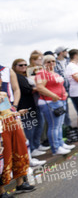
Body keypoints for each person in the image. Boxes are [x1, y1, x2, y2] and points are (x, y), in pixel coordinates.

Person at [0, 66, 35, 196]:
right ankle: (2, 190)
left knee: (19, 149)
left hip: (11, 121)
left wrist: (16, 112)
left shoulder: (3, 92)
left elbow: (6, 109)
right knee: (4, 155)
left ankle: (20, 183)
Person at [35, 56, 74, 155]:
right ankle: (56, 148)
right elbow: (39, 87)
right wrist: (53, 95)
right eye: (48, 61)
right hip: (50, 102)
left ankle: (60, 143)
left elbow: (59, 85)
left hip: (61, 101)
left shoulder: (54, 72)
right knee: (54, 126)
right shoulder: (41, 73)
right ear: (44, 63)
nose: (51, 63)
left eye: (53, 61)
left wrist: (64, 93)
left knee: (59, 125)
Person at [11, 59, 45, 160]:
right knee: (30, 128)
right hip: (24, 106)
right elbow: (25, 89)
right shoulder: (17, 76)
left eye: (25, 65)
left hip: (32, 104)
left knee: (38, 125)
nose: (23, 66)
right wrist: (36, 88)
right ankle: (32, 149)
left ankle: (36, 145)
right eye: (20, 65)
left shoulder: (24, 76)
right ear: (15, 66)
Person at [54, 46, 71, 129]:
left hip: (72, 87)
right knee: (65, 110)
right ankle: (67, 127)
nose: (66, 52)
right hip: (62, 90)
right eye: (65, 51)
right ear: (61, 52)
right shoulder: (54, 63)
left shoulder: (69, 61)